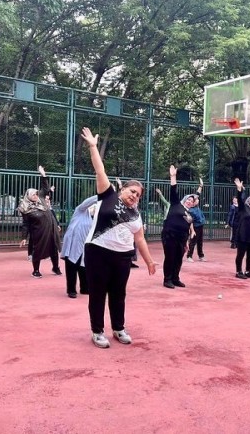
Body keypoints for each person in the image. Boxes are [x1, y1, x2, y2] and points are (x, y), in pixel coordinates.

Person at [80, 127, 156, 349]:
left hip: (123, 257)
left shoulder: (136, 214)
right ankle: (97, 331)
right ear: (123, 189)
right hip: (98, 252)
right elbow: (99, 169)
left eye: (138, 195)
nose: (134, 196)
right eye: (132, 191)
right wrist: (93, 146)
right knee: (97, 294)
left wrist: (149, 261)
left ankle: (118, 328)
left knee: (118, 294)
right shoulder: (108, 195)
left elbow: (140, 239)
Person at [18, 166, 62, 278]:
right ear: (28, 196)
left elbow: (45, 188)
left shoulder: (41, 199)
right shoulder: (25, 208)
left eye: (37, 194)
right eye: (33, 194)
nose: (36, 195)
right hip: (39, 232)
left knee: (54, 248)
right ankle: (36, 270)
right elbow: (26, 224)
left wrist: (43, 174)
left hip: (51, 229)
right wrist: (24, 237)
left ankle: (56, 267)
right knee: (38, 250)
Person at [161, 165, 195, 289]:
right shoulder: (176, 204)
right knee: (170, 257)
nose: (190, 201)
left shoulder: (190, 214)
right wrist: (173, 176)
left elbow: (187, 228)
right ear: (184, 200)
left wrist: (186, 242)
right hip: (170, 235)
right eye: (188, 199)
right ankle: (167, 279)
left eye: (192, 201)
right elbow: (173, 190)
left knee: (178, 259)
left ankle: (175, 278)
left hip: (181, 238)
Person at [61, 195, 98, 298]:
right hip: (73, 245)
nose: (94, 208)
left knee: (84, 268)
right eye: (93, 206)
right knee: (72, 267)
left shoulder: (96, 218)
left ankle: (85, 288)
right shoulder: (80, 211)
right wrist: (103, 193)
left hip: (86, 247)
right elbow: (87, 202)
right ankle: (71, 290)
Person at [186, 178, 206, 262]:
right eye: (196, 200)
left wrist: (201, 186)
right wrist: (192, 230)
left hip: (200, 226)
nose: (197, 200)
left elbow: (198, 194)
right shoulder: (190, 210)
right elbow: (190, 222)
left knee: (200, 241)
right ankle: (189, 256)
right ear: (193, 202)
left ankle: (201, 256)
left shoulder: (196, 206)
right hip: (195, 227)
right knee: (193, 241)